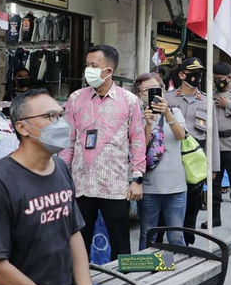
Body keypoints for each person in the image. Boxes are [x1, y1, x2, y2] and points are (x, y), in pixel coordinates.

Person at [0, 89, 151, 285]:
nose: (61, 124)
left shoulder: (60, 168)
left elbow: (74, 234)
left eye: (61, 115)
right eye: (50, 116)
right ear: (22, 128)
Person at [61, 45, 146, 260]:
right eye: (87, 65)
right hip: (81, 184)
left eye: (93, 66)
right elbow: (67, 140)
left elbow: (137, 140)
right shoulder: (75, 99)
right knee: (79, 241)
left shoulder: (129, 101)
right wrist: (61, 176)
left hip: (115, 185)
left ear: (109, 71)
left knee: (120, 243)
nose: (88, 70)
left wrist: (137, 178)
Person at [165, 57, 220, 245]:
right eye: (192, 74)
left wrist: (213, 166)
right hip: (169, 159)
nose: (196, 77)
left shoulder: (206, 101)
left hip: (195, 162)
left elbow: (213, 136)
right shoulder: (167, 98)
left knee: (192, 205)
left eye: (199, 74)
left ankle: (187, 240)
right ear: (181, 75)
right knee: (169, 204)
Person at [134, 72, 187, 250]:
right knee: (148, 234)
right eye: (145, 90)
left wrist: (168, 115)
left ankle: (181, 274)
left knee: (176, 235)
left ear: (163, 91)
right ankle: (142, 275)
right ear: (139, 95)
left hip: (176, 186)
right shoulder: (137, 117)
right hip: (149, 186)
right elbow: (139, 147)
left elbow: (181, 136)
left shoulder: (175, 112)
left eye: (155, 89)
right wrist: (148, 124)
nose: (151, 94)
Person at [203, 62, 231, 233]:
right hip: (215, 146)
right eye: (214, 79)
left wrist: (228, 105)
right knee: (213, 184)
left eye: (220, 79)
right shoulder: (210, 96)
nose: (217, 82)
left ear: (229, 78)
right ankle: (214, 217)